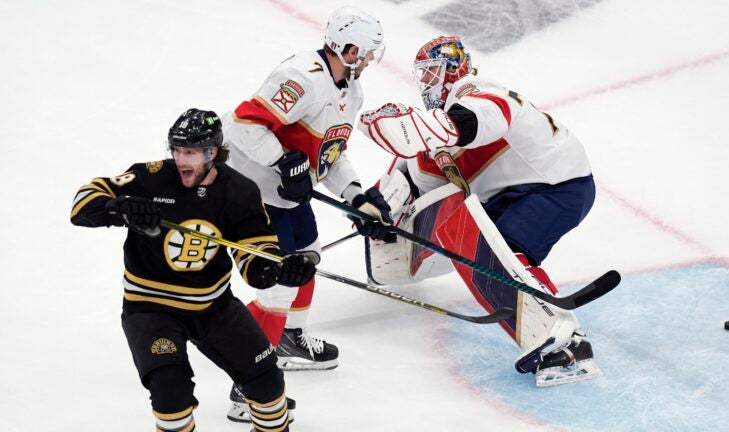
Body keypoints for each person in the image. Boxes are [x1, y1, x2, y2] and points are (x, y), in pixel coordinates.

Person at [358, 36, 599, 386]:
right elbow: (408, 179)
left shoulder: (475, 91)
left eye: (432, 73)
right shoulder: (435, 131)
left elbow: (478, 118)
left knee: (498, 255)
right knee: (481, 250)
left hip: (559, 184)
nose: (425, 83)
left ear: (454, 70)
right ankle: (554, 327)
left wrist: (428, 130)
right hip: (515, 193)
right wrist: (373, 208)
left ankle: (568, 342)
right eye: (421, 76)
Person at [70, 108, 318, 431]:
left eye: (190, 152)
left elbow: (255, 255)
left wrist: (278, 271)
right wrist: (120, 208)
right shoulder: (151, 176)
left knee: (268, 385)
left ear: (212, 152)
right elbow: (81, 204)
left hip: (213, 306)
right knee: (171, 395)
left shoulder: (240, 192)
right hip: (150, 309)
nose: (181, 159)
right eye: (176, 149)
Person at [222, 5, 389, 376]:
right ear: (349, 50)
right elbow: (243, 126)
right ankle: (252, 367)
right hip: (249, 187)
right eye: (369, 52)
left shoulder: (352, 90)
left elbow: (329, 152)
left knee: (307, 258)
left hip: (283, 193)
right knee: (281, 279)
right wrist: (282, 160)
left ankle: (290, 338)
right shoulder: (301, 77)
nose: (372, 59)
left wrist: (356, 197)